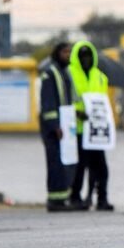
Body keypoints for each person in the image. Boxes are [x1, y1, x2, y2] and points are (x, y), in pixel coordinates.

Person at [68, 40, 114, 211]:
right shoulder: (69, 74)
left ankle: (102, 198)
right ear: (77, 57)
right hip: (78, 129)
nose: (86, 59)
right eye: (82, 56)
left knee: (101, 168)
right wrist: (76, 112)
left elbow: (104, 102)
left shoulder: (100, 76)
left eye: (88, 56)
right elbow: (65, 101)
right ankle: (76, 198)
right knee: (79, 167)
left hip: (95, 130)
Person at [39, 42, 82, 211]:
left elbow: (67, 100)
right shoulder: (50, 74)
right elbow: (48, 103)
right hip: (53, 129)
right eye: (65, 52)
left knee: (65, 163)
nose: (68, 55)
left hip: (65, 126)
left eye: (70, 52)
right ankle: (54, 201)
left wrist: (76, 114)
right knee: (55, 163)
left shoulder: (65, 73)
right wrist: (55, 125)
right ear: (57, 54)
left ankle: (62, 199)